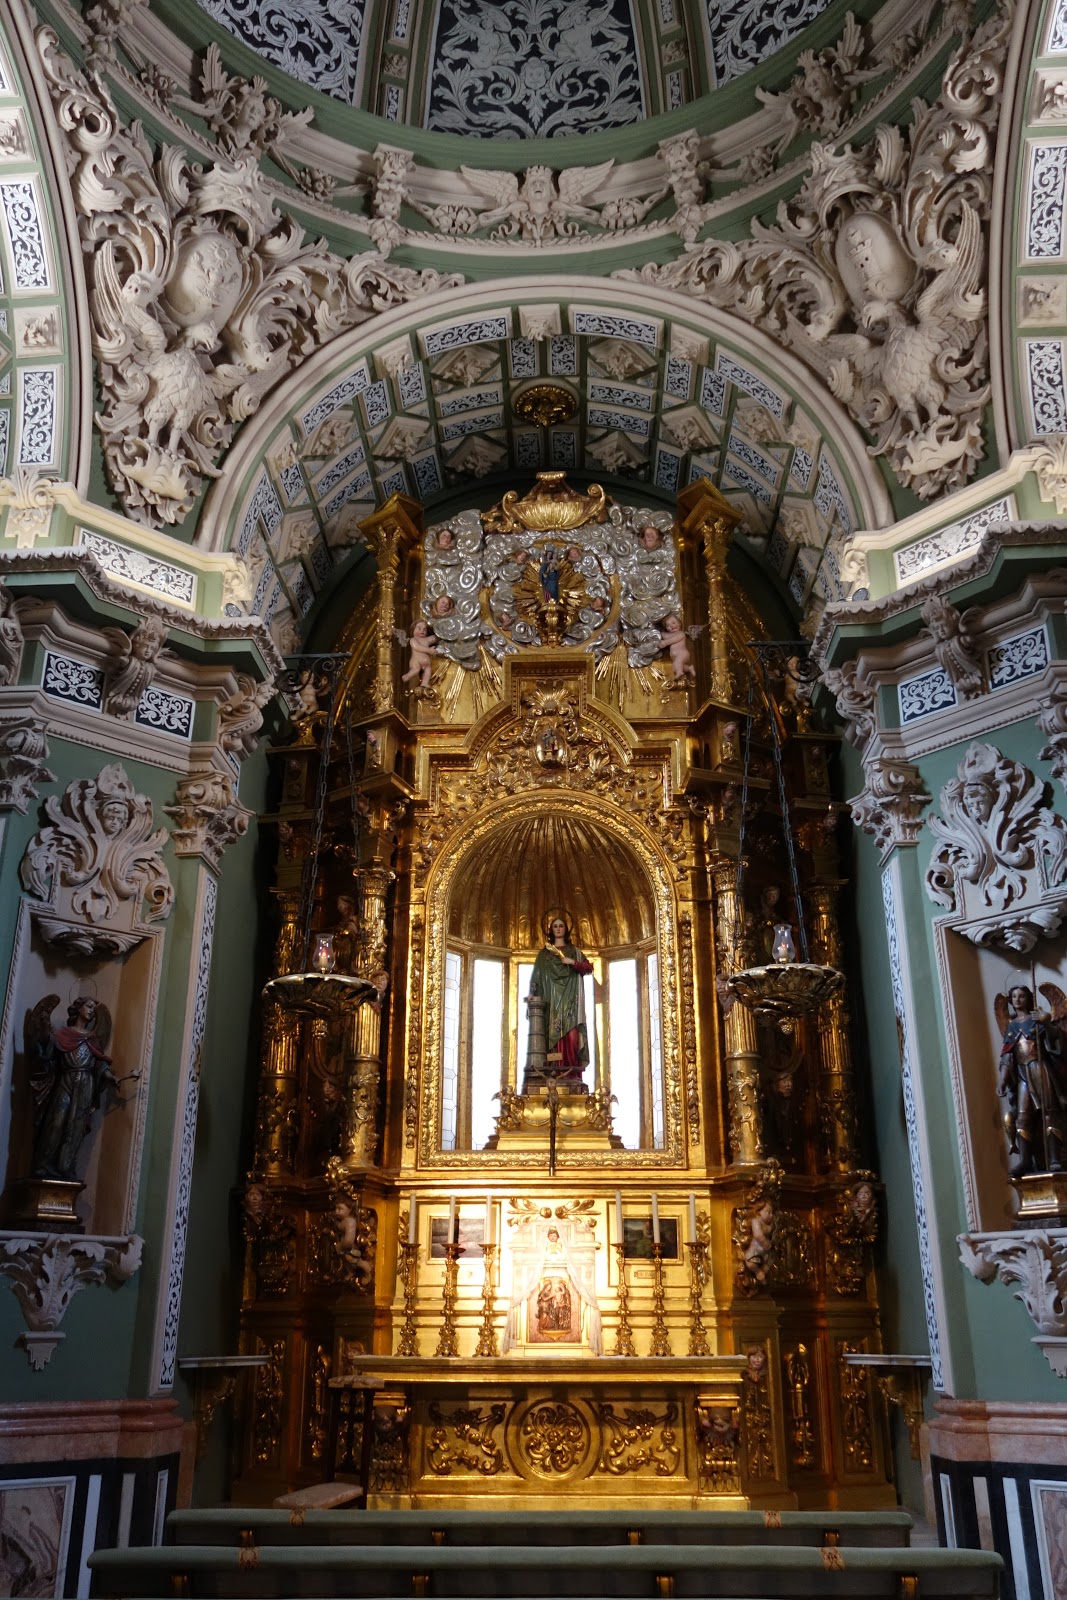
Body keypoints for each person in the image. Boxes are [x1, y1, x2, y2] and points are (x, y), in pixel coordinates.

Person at [27, 996, 119, 1182]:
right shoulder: (64, 1034)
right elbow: (48, 1050)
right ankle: (43, 1165)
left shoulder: (92, 1039)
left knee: (76, 1126)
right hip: (66, 1080)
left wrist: (110, 1077)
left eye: (93, 1008)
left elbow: (99, 1064)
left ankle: (65, 1168)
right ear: (78, 1008)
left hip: (85, 1084)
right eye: (89, 1006)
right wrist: (44, 1025)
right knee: (56, 1122)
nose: (91, 1011)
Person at [997, 984, 1067, 1175]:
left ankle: (1054, 1158)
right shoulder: (1012, 1026)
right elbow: (1007, 1056)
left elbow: (1056, 1041)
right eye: (1014, 997)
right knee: (1023, 1116)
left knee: (1049, 1112)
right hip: (1023, 1075)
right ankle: (1025, 1160)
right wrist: (1003, 1080)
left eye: (1022, 996)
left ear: (1029, 998)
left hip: (1040, 1068)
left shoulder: (1037, 1019)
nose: (1018, 1000)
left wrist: (1046, 1023)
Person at [526, 913, 593, 1088]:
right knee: (550, 1035)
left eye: (561, 926)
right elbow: (537, 975)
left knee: (572, 1037)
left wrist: (572, 962)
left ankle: (571, 1074)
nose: (558, 929)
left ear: (566, 929)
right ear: (551, 930)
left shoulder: (574, 952)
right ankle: (553, 1075)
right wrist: (532, 993)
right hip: (551, 1001)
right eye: (555, 926)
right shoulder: (544, 954)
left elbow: (588, 968)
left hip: (570, 1001)